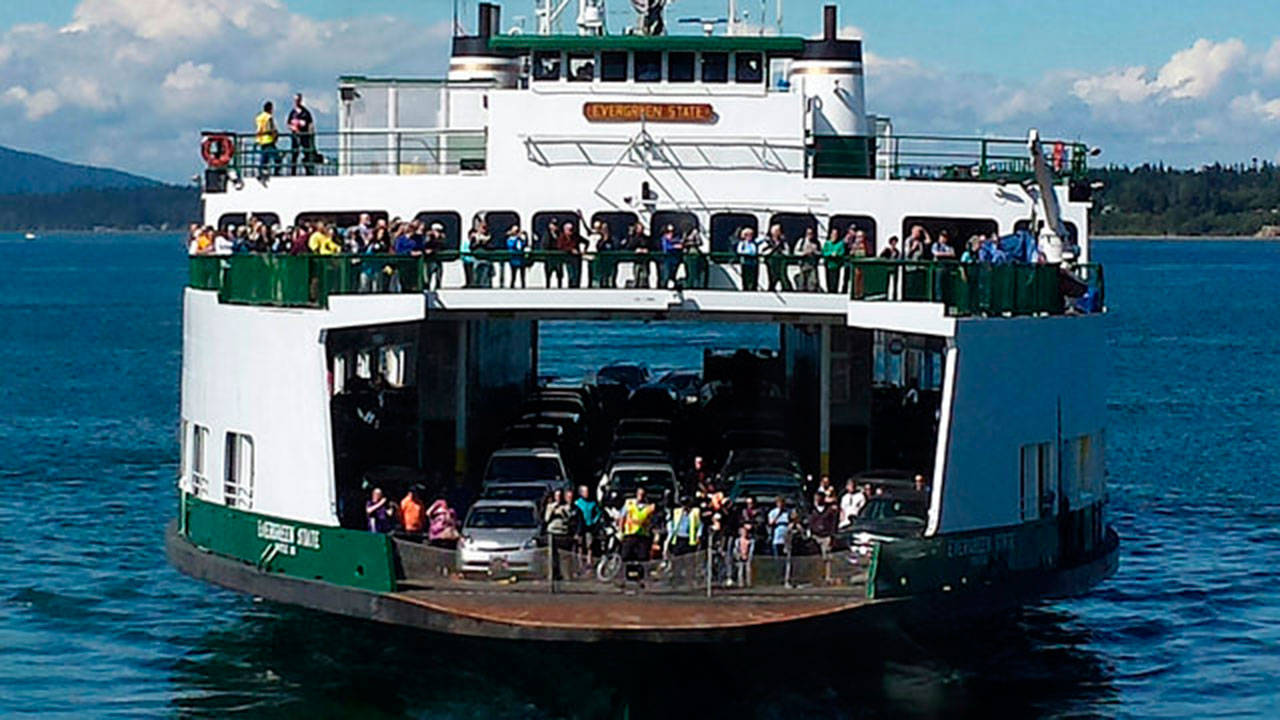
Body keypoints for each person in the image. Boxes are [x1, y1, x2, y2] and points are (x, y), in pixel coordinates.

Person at [619, 487, 655, 563]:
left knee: (642, 557)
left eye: (642, 494)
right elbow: (622, 517)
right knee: (626, 556)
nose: (640, 496)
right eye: (639, 494)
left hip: (642, 536)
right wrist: (620, 531)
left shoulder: (649, 507)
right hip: (629, 534)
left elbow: (651, 521)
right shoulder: (629, 503)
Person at [544, 489, 573, 580]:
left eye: (560, 496)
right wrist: (552, 511)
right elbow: (546, 519)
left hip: (563, 533)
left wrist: (562, 512)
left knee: (564, 556)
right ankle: (552, 575)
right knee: (552, 556)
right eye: (557, 496)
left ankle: (566, 575)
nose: (558, 498)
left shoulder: (566, 507)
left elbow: (568, 519)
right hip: (552, 533)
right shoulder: (550, 506)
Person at [287, 93, 316, 176]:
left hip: (304, 136)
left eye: (298, 100)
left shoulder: (306, 112)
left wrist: (310, 134)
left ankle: (308, 171)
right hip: (295, 137)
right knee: (294, 154)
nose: (297, 102)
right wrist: (293, 128)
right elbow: (288, 124)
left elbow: (310, 124)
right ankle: (293, 172)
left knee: (306, 153)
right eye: (295, 100)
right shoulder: (292, 113)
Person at [573, 485, 602, 561]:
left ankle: (589, 561)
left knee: (589, 545)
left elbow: (598, 513)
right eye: (585, 492)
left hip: (589, 527)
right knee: (580, 545)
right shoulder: (577, 503)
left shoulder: (592, 503)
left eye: (587, 491)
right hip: (580, 527)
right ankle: (580, 562)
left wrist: (594, 521)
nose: (586, 493)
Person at [810, 490, 839, 564]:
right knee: (815, 558)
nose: (817, 500)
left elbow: (833, 523)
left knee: (826, 558)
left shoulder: (830, 510)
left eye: (819, 498)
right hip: (815, 536)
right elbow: (810, 522)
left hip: (826, 537)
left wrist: (832, 535)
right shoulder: (813, 511)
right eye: (816, 499)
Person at [762, 223, 792, 292]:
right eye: (775, 231)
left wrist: (781, 249)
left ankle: (786, 288)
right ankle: (771, 288)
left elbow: (787, 251)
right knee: (772, 276)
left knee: (783, 276)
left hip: (781, 261)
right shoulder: (767, 241)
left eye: (778, 230)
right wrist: (773, 248)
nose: (777, 232)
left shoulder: (783, 241)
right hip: (771, 261)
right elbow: (763, 252)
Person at [255, 101, 281, 178]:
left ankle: (262, 172)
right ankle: (276, 173)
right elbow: (270, 129)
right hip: (268, 140)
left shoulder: (259, 117)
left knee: (264, 158)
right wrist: (275, 135)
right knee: (277, 158)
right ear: (270, 108)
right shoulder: (268, 117)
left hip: (261, 140)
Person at [796, 226, 821, 292]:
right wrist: (804, 253)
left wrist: (814, 252)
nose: (810, 235)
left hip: (812, 265)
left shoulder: (817, 242)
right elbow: (796, 252)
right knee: (801, 283)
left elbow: (820, 253)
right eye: (808, 233)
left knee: (812, 283)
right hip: (802, 265)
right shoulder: (801, 241)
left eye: (811, 233)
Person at [822, 227, 846, 294]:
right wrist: (830, 253)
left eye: (836, 234)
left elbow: (842, 252)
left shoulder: (840, 244)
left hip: (836, 265)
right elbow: (824, 252)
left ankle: (835, 291)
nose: (834, 236)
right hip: (828, 265)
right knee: (828, 280)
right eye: (833, 234)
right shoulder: (827, 243)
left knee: (835, 281)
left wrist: (837, 254)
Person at [735, 227, 760, 291]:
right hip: (745, 262)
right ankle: (745, 288)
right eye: (747, 235)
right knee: (745, 277)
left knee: (754, 276)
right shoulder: (742, 243)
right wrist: (747, 253)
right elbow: (739, 251)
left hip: (753, 263)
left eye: (751, 234)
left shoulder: (753, 243)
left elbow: (754, 251)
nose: (749, 236)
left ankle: (754, 288)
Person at [658, 224, 683, 288]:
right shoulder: (663, 239)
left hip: (675, 260)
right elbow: (665, 248)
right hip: (666, 260)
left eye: (672, 232)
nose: (670, 234)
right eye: (668, 232)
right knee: (666, 275)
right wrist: (674, 246)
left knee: (674, 275)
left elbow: (681, 244)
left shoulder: (676, 239)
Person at [731, 523, 755, 587]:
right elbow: (736, 549)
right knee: (740, 571)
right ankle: (740, 583)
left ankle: (749, 583)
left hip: (748, 557)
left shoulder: (750, 541)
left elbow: (751, 549)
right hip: (740, 557)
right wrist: (739, 555)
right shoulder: (737, 541)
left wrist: (748, 555)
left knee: (748, 570)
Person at [506, 224, 528, 289]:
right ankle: (512, 287)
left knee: (522, 276)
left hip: (521, 260)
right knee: (513, 275)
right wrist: (516, 239)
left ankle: (523, 287)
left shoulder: (520, 240)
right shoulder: (510, 239)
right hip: (514, 259)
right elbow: (510, 246)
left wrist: (525, 238)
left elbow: (523, 245)